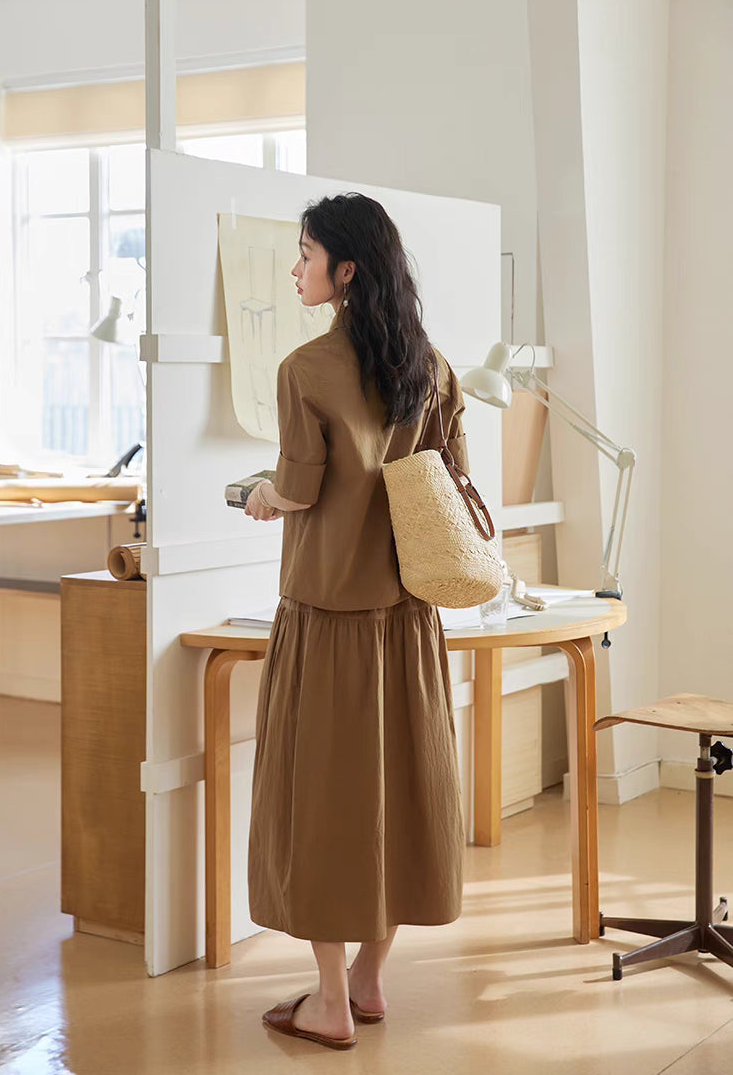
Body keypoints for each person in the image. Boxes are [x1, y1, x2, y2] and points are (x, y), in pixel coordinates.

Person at [244, 192, 469, 1051]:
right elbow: (449, 484)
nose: (294, 269)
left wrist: (263, 496)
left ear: (344, 270)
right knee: (402, 799)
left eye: (305, 254)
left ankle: (331, 1001)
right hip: (408, 621)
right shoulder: (432, 366)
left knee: (323, 808)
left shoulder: (305, 370)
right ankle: (371, 980)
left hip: (329, 619)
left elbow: (299, 490)